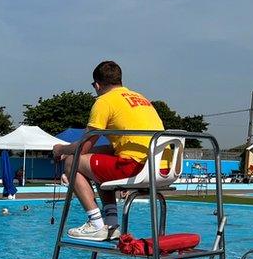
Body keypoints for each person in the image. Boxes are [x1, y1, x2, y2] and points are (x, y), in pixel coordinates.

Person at [52, 60, 168, 241]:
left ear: (97, 84)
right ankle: (111, 224)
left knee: (71, 162)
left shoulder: (104, 101)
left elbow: (84, 146)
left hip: (137, 166)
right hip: (161, 168)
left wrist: (61, 149)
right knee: (99, 157)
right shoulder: (141, 99)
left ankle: (96, 223)